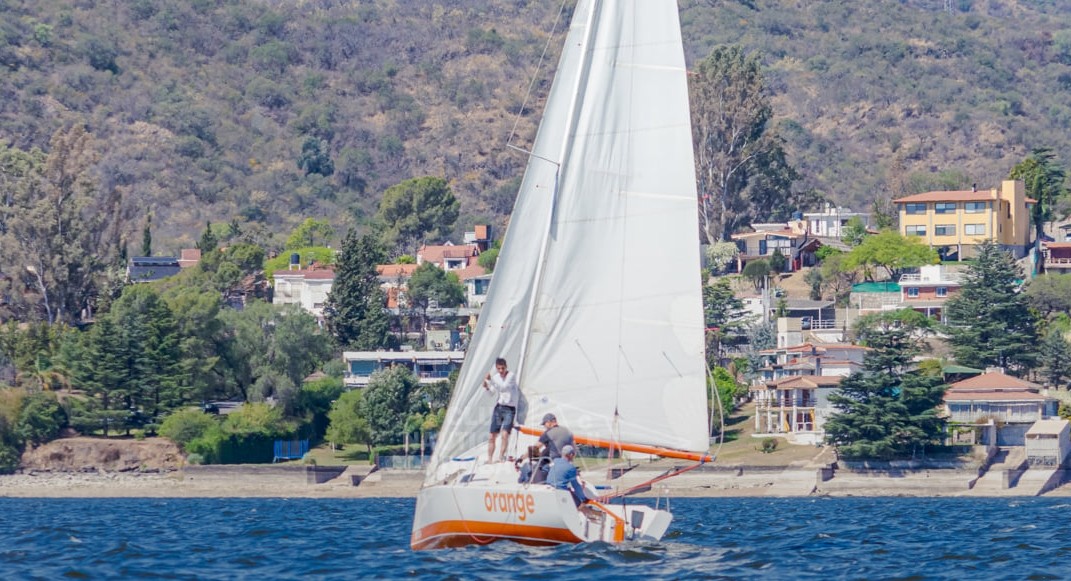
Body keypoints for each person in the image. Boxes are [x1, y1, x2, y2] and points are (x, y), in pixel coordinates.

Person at [483, 357, 519, 463]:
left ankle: (501, 456)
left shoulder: (511, 376)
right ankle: (489, 458)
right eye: (499, 369)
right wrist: (486, 387)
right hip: (499, 407)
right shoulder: (496, 377)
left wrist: (491, 381)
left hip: (510, 408)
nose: (501, 371)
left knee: (504, 435)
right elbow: (492, 393)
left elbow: (504, 387)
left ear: (506, 367)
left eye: (502, 368)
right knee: (491, 436)